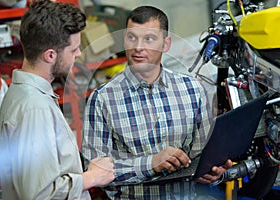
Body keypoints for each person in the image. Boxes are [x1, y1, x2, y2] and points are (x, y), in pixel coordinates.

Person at [81, 5, 232, 199]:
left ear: (166, 44)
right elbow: (95, 171)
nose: (138, 47)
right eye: (131, 37)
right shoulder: (102, 99)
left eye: (149, 39)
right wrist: (150, 163)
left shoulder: (191, 89)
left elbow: (202, 152)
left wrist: (212, 169)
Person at [0, 0, 114, 199]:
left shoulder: (22, 93)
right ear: (50, 55)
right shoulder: (35, 107)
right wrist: (93, 177)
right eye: (73, 49)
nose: (79, 54)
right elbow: (41, 194)